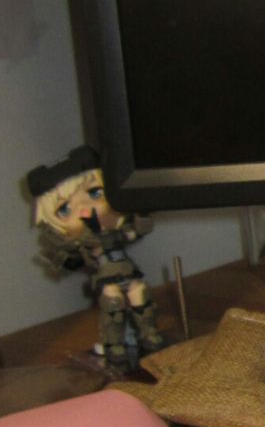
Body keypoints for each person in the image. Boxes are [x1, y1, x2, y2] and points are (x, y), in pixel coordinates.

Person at [27, 145, 165, 373]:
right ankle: (115, 346)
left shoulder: (117, 234)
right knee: (113, 305)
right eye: (64, 209)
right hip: (107, 279)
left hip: (130, 273)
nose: (85, 209)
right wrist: (64, 259)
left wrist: (143, 214)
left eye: (94, 193)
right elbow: (76, 260)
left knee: (140, 296)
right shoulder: (88, 247)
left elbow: (135, 231)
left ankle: (150, 336)